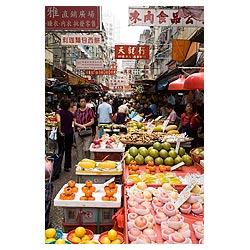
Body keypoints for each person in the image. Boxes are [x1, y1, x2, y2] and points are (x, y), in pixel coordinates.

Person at [74, 95, 95, 161]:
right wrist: (80, 126)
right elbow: (74, 121)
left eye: (84, 101)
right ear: (79, 103)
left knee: (87, 148)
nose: (83, 103)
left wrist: (84, 126)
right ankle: (80, 161)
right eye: (81, 101)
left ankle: (88, 160)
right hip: (78, 131)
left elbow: (92, 121)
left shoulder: (90, 110)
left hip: (87, 131)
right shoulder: (76, 111)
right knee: (79, 147)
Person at [55, 97, 74, 172]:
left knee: (61, 149)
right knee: (68, 150)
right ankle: (67, 166)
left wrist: (60, 130)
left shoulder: (58, 112)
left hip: (62, 133)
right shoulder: (70, 114)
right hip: (69, 133)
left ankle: (58, 167)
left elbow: (59, 120)